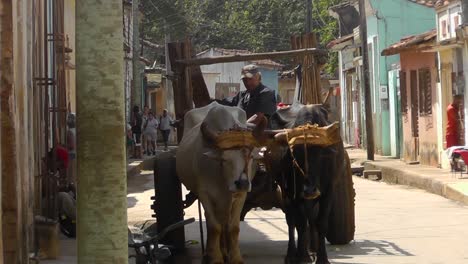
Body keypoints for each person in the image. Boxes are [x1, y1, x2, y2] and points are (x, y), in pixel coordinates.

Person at [66, 113, 76, 183]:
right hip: (75, 154)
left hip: (71, 155)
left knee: (70, 176)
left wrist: (64, 146)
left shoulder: (70, 132)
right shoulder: (76, 130)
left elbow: (71, 146)